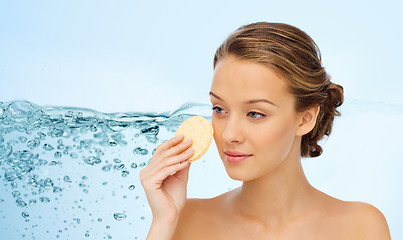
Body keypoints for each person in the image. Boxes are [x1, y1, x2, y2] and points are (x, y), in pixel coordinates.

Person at [140, 22, 391, 239]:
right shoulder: (186, 219)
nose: (229, 134)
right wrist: (164, 222)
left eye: (255, 114)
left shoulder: (360, 227)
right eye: (219, 109)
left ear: (305, 118)